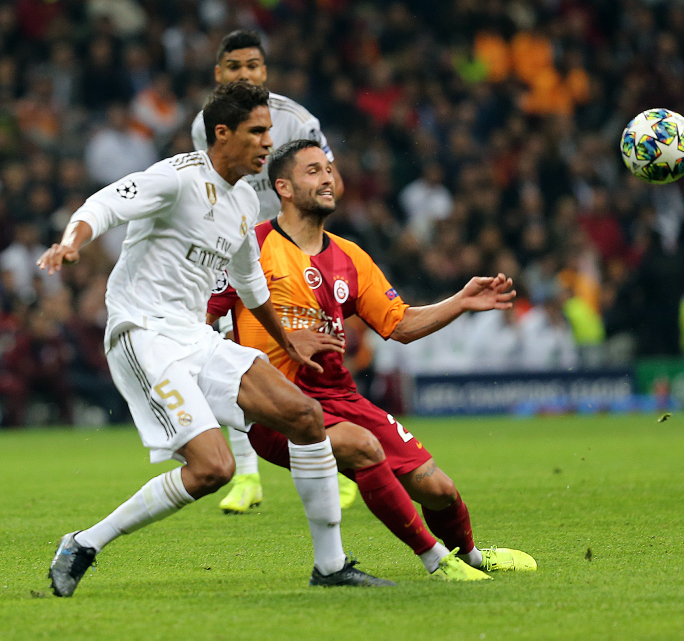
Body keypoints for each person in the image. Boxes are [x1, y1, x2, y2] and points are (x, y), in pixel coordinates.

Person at [40, 83, 393, 597]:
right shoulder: (177, 178)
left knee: (305, 416)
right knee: (214, 469)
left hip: (194, 336)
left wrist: (286, 340)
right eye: (257, 131)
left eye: (269, 131)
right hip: (144, 333)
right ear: (222, 134)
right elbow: (105, 204)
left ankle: (331, 565)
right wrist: (71, 242)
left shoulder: (245, 198)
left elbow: (250, 283)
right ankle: (84, 543)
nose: (268, 142)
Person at [207, 139, 537, 580]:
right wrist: (273, 345)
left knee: (437, 488)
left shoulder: (351, 256)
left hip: (340, 396)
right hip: (276, 405)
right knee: (362, 447)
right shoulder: (252, 247)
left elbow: (399, 325)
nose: (327, 178)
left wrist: (459, 301)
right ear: (283, 187)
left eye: (329, 169)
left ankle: (472, 557)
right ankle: (436, 561)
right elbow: (197, 322)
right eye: (313, 171)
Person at [190, 28, 354, 514]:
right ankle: (247, 475)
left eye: (252, 65)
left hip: (287, 249)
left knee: (311, 356)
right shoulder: (206, 124)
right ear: (218, 73)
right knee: (228, 351)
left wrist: (305, 233)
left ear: (265, 71)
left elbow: (331, 182)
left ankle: (341, 460)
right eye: (234, 66)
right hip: (234, 248)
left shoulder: (296, 120)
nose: (244, 73)